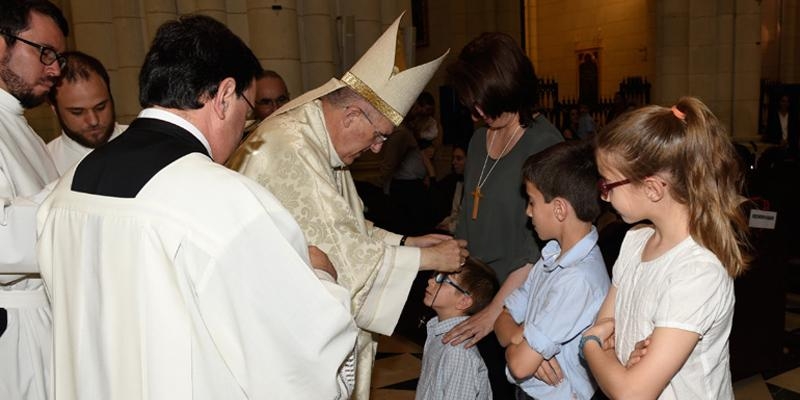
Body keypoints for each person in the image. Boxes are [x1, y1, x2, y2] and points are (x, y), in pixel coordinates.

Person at [36, 14, 358, 399]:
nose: (245, 127)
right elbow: (299, 362)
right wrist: (319, 277)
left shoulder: (67, 187)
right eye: (247, 110)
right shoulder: (223, 198)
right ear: (224, 95)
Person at [229, 13, 464, 399]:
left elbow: (345, 226)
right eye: (378, 136)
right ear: (353, 114)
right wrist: (427, 260)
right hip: (282, 332)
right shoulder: (291, 148)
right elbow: (340, 256)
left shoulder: (317, 141)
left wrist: (406, 243)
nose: (378, 149)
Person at [580, 97, 749, 399]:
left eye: (607, 185)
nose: (603, 196)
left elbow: (631, 392)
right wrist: (619, 360)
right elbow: (607, 327)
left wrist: (589, 343)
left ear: (653, 188)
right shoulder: (636, 240)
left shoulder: (697, 271)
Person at [444, 31, 563, 399]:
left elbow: (538, 249)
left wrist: (495, 311)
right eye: (470, 103)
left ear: (505, 87)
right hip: (477, 290)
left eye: (480, 102)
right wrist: (457, 283)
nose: (474, 113)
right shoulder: (477, 140)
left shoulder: (544, 145)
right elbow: (467, 217)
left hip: (517, 302)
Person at [494, 140, 609, 400]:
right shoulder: (552, 255)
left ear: (559, 209)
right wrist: (520, 341)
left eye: (532, 202)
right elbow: (501, 319)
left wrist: (519, 349)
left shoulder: (578, 278)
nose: (528, 212)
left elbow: (519, 365)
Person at [0, 1, 67, 399]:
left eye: (58, 57)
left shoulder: (23, 130)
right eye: (45, 52)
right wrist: (75, 194)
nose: (55, 69)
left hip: (41, 321)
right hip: (12, 337)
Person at [416, 259, 498, 400]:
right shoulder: (436, 331)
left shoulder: (457, 352)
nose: (431, 281)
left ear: (464, 301)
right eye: (435, 275)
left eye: (442, 279)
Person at [47, 51, 127, 174]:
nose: (93, 120)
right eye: (77, 112)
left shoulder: (147, 144)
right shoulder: (46, 164)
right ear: (54, 109)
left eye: (101, 107)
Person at [433, 144, 466, 233]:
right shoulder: (459, 182)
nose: (454, 162)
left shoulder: (475, 185)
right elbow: (455, 213)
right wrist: (445, 223)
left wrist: (451, 227)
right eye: (453, 158)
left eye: (459, 158)